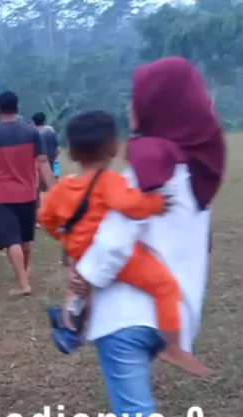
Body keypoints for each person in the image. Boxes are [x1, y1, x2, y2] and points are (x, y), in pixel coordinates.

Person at [67, 57, 224, 417]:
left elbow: (115, 239)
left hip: (128, 316)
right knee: (133, 403)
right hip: (172, 314)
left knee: (136, 416)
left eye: (137, 98)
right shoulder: (200, 168)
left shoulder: (149, 165)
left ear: (158, 103)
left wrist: (83, 281)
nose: (130, 106)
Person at [39, 110, 209, 378]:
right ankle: (175, 346)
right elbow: (130, 205)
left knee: (83, 290)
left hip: (80, 252)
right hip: (112, 254)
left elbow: (46, 218)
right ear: (114, 147)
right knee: (165, 286)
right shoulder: (110, 181)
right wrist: (156, 204)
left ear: (71, 153)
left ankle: (69, 325)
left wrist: (65, 238)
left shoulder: (61, 189)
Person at [0, 91, 57, 296]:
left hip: (3, 195)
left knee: (11, 240)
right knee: (26, 238)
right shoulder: (31, 132)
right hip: (28, 192)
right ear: (17, 108)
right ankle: (24, 274)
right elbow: (43, 162)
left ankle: (23, 284)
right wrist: (54, 189)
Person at [32, 111, 61, 182]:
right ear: (44, 120)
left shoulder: (32, 132)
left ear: (34, 121)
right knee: (54, 181)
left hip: (38, 163)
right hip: (51, 160)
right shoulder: (51, 131)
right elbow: (58, 149)